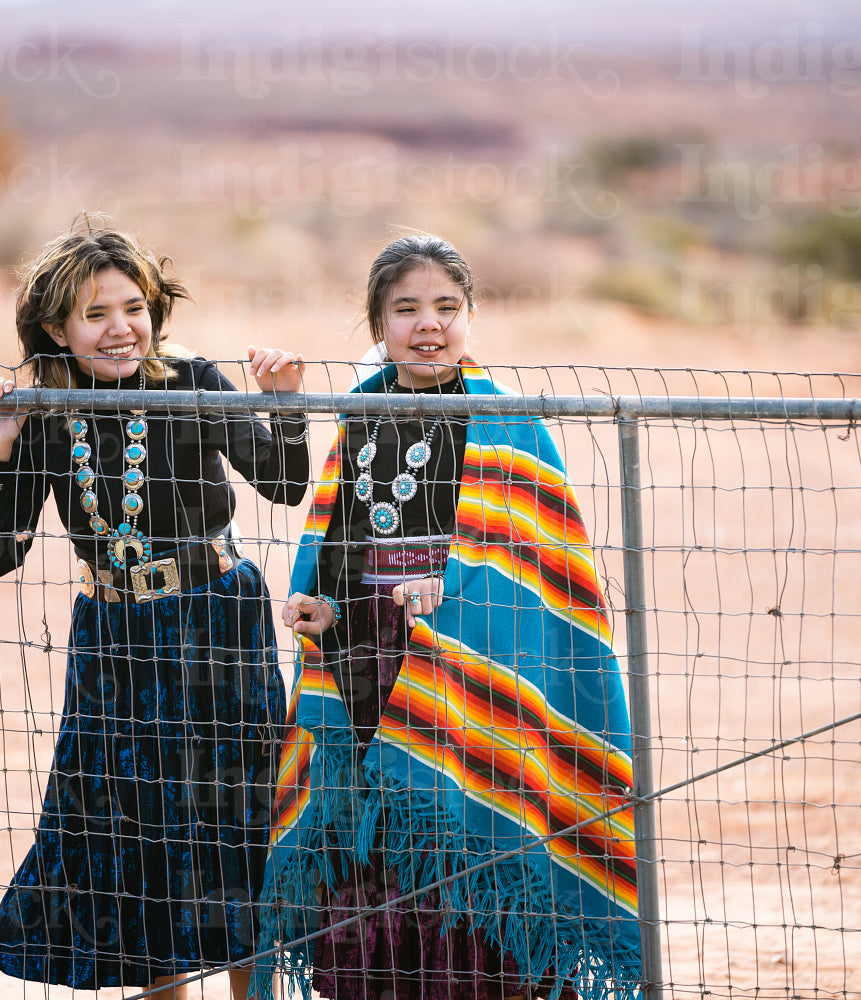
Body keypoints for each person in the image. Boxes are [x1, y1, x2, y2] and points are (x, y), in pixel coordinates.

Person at [258, 234, 643, 1000]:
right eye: (406, 309)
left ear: (471, 315)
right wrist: (322, 604)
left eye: (446, 307)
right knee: (379, 840)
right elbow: (340, 541)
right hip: (368, 665)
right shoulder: (360, 410)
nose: (427, 325)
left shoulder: (504, 421)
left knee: (466, 837)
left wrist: (457, 590)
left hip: (478, 670)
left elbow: (542, 572)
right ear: (378, 323)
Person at [0, 220, 309, 999]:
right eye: (95, 314)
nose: (120, 328)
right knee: (129, 818)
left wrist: (284, 408)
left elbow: (284, 484)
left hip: (216, 618)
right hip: (112, 632)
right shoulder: (45, 409)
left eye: (134, 307)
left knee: (232, 805)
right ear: (57, 327)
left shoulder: (190, 377)